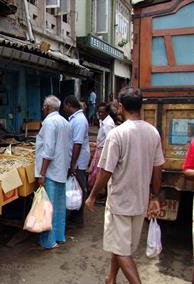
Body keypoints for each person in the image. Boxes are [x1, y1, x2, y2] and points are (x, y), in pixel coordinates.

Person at [85, 87, 165, 284]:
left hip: (120, 203)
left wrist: (93, 195)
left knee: (121, 250)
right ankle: (110, 278)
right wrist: (154, 197)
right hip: (139, 201)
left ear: (121, 107)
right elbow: (158, 169)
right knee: (122, 247)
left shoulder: (117, 134)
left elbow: (106, 171)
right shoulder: (152, 132)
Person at [35, 95, 72, 249]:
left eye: (44, 107)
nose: (43, 110)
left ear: (47, 108)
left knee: (48, 207)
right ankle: (59, 236)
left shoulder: (49, 122)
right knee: (58, 207)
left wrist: (42, 173)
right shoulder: (65, 122)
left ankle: (48, 241)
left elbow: (48, 150)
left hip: (50, 171)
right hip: (61, 169)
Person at [63, 95, 90, 225]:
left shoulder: (79, 120)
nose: (64, 109)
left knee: (79, 186)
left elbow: (77, 143)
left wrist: (73, 164)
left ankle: (78, 217)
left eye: (65, 106)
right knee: (75, 186)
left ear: (69, 105)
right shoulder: (75, 119)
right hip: (76, 160)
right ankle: (74, 214)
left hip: (78, 162)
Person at [88, 103, 115, 191]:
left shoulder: (108, 124)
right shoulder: (103, 121)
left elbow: (110, 141)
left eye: (102, 112)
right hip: (100, 149)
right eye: (98, 112)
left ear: (107, 112)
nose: (99, 114)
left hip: (103, 151)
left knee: (101, 173)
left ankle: (103, 193)